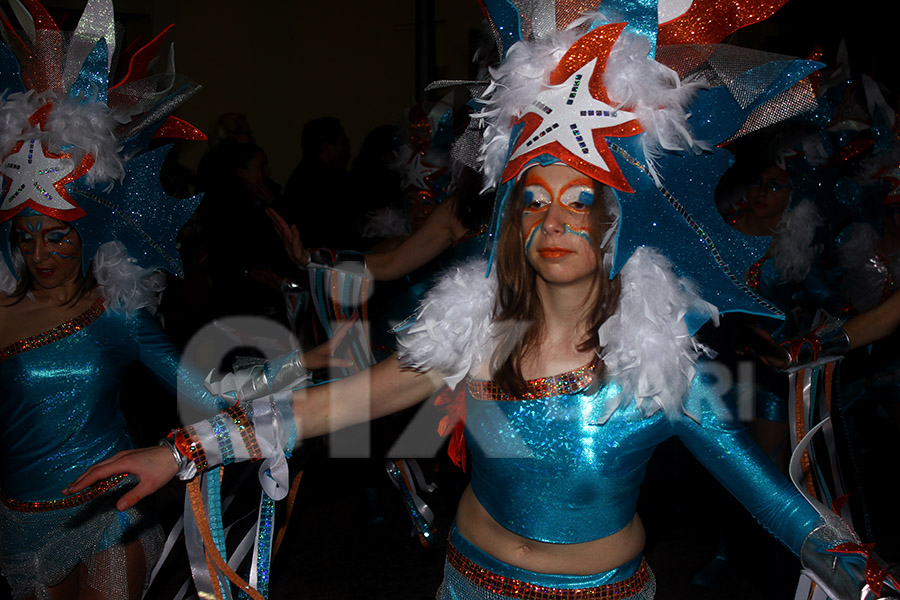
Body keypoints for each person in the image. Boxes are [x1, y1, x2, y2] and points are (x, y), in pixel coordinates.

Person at [67, 3, 898, 599]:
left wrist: (856, 568)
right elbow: (345, 401)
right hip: (465, 582)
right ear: (511, 219)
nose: (554, 220)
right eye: (534, 201)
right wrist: (184, 451)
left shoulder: (661, 368)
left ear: (615, 222)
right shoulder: (474, 334)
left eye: (580, 201)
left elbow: (769, 497)